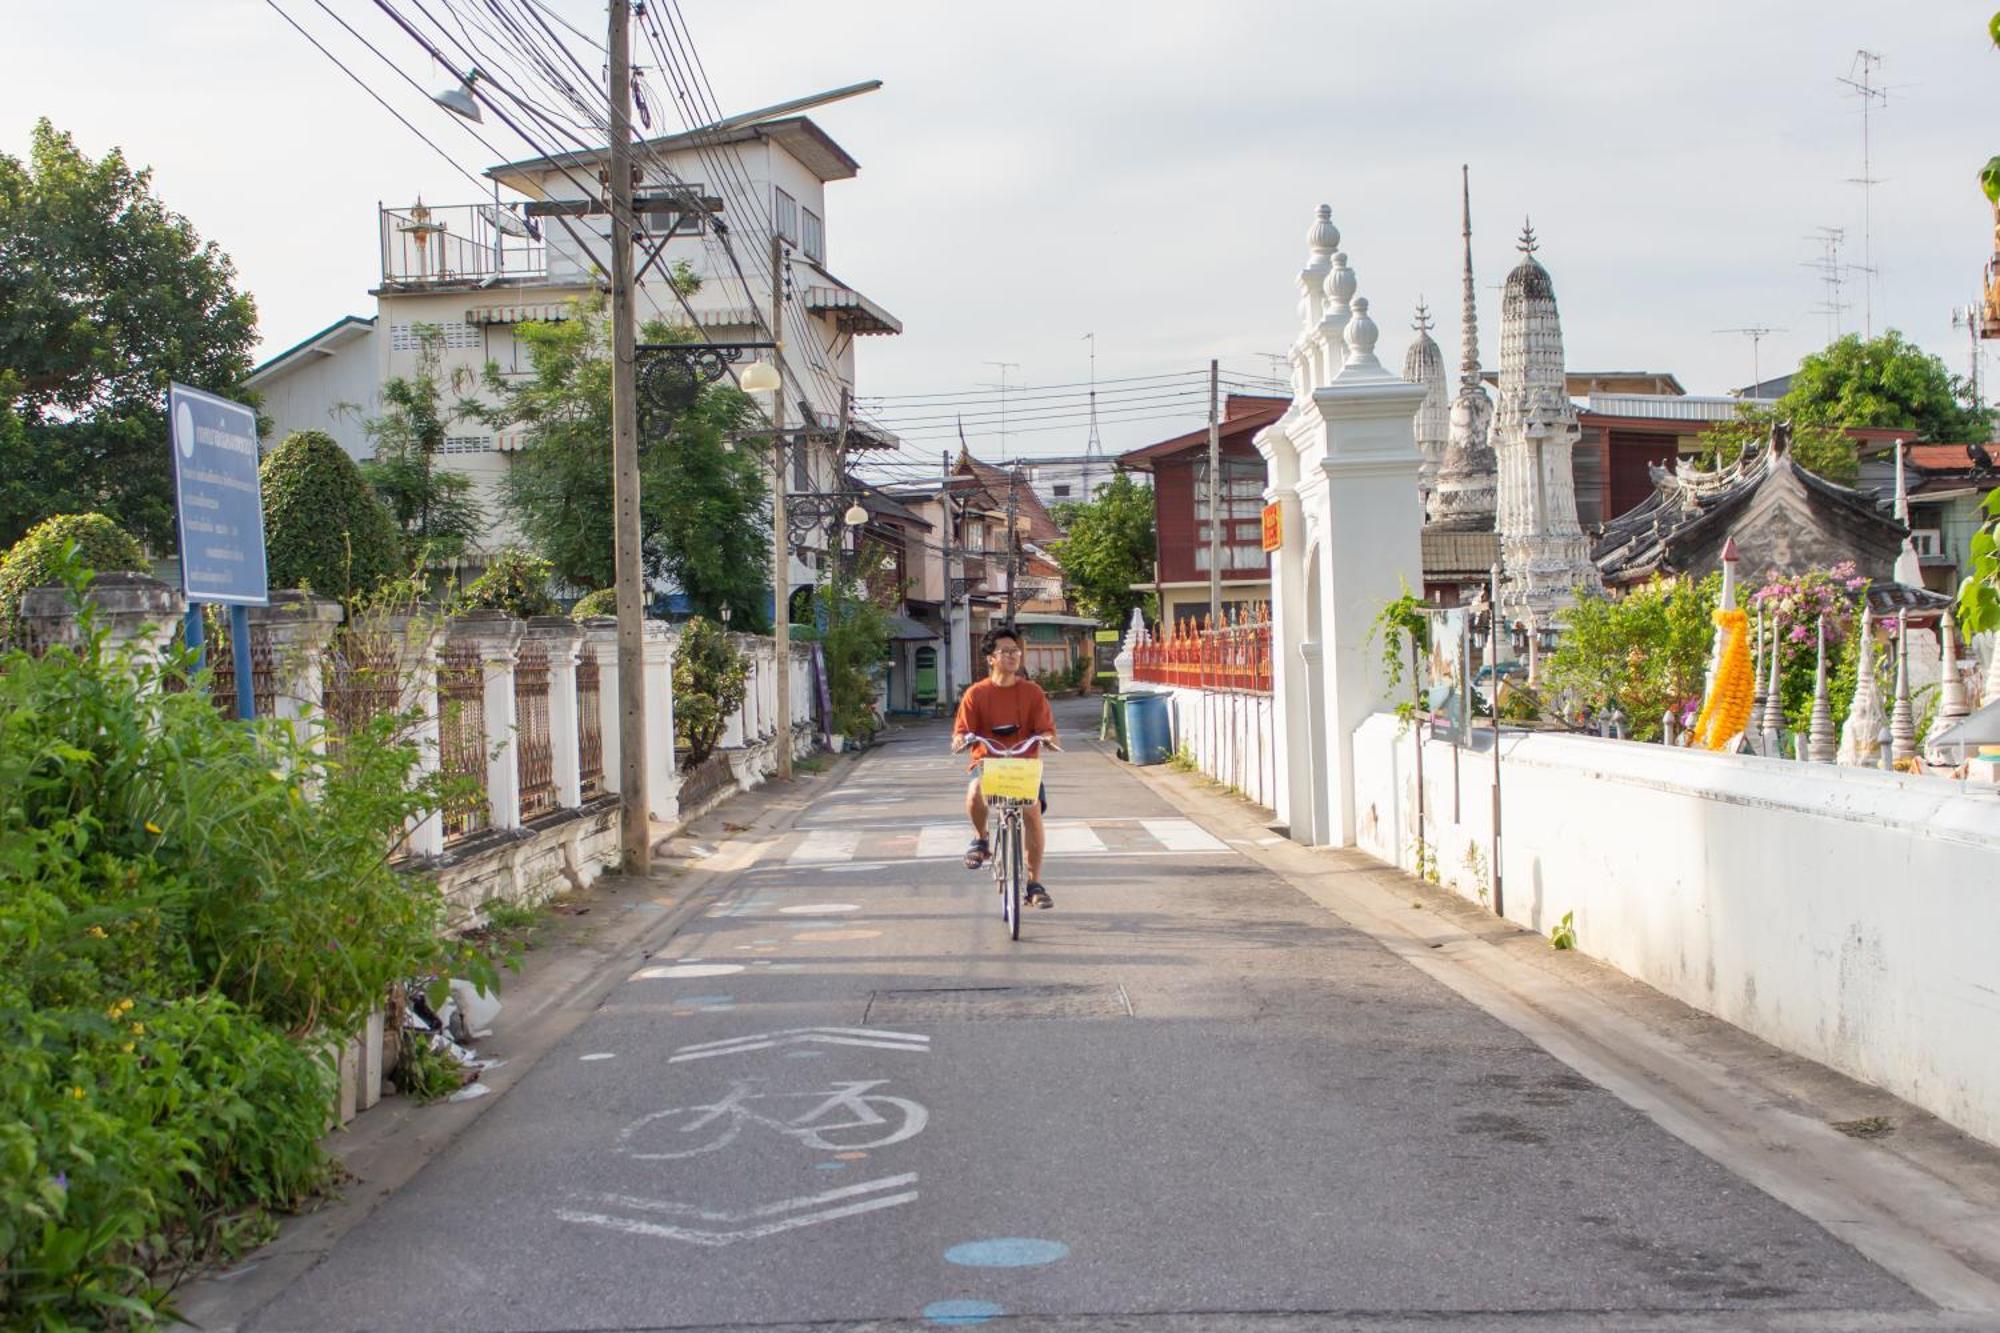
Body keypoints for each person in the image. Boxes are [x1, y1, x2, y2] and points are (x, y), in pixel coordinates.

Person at [951, 624, 1060, 908]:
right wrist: (960, 740)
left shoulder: (1033, 693)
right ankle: (981, 839)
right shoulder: (976, 694)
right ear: (991, 658)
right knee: (976, 788)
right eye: (1006, 651)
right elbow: (961, 731)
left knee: (1032, 809)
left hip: (1023, 767)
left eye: (1016, 651)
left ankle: (1034, 883)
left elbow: (1047, 729)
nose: (1013, 656)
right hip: (988, 764)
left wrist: (1048, 739)